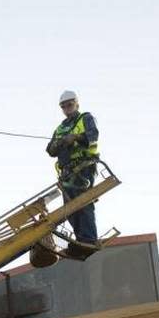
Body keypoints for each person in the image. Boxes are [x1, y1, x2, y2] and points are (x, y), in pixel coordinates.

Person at [46, 90, 100, 249]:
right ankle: (80, 240)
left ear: (76, 104)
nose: (67, 108)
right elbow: (50, 150)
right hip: (67, 173)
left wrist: (75, 137)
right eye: (63, 106)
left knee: (82, 204)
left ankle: (88, 239)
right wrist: (57, 144)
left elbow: (92, 137)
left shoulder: (86, 119)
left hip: (83, 168)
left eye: (69, 104)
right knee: (70, 209)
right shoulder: (60, 128)